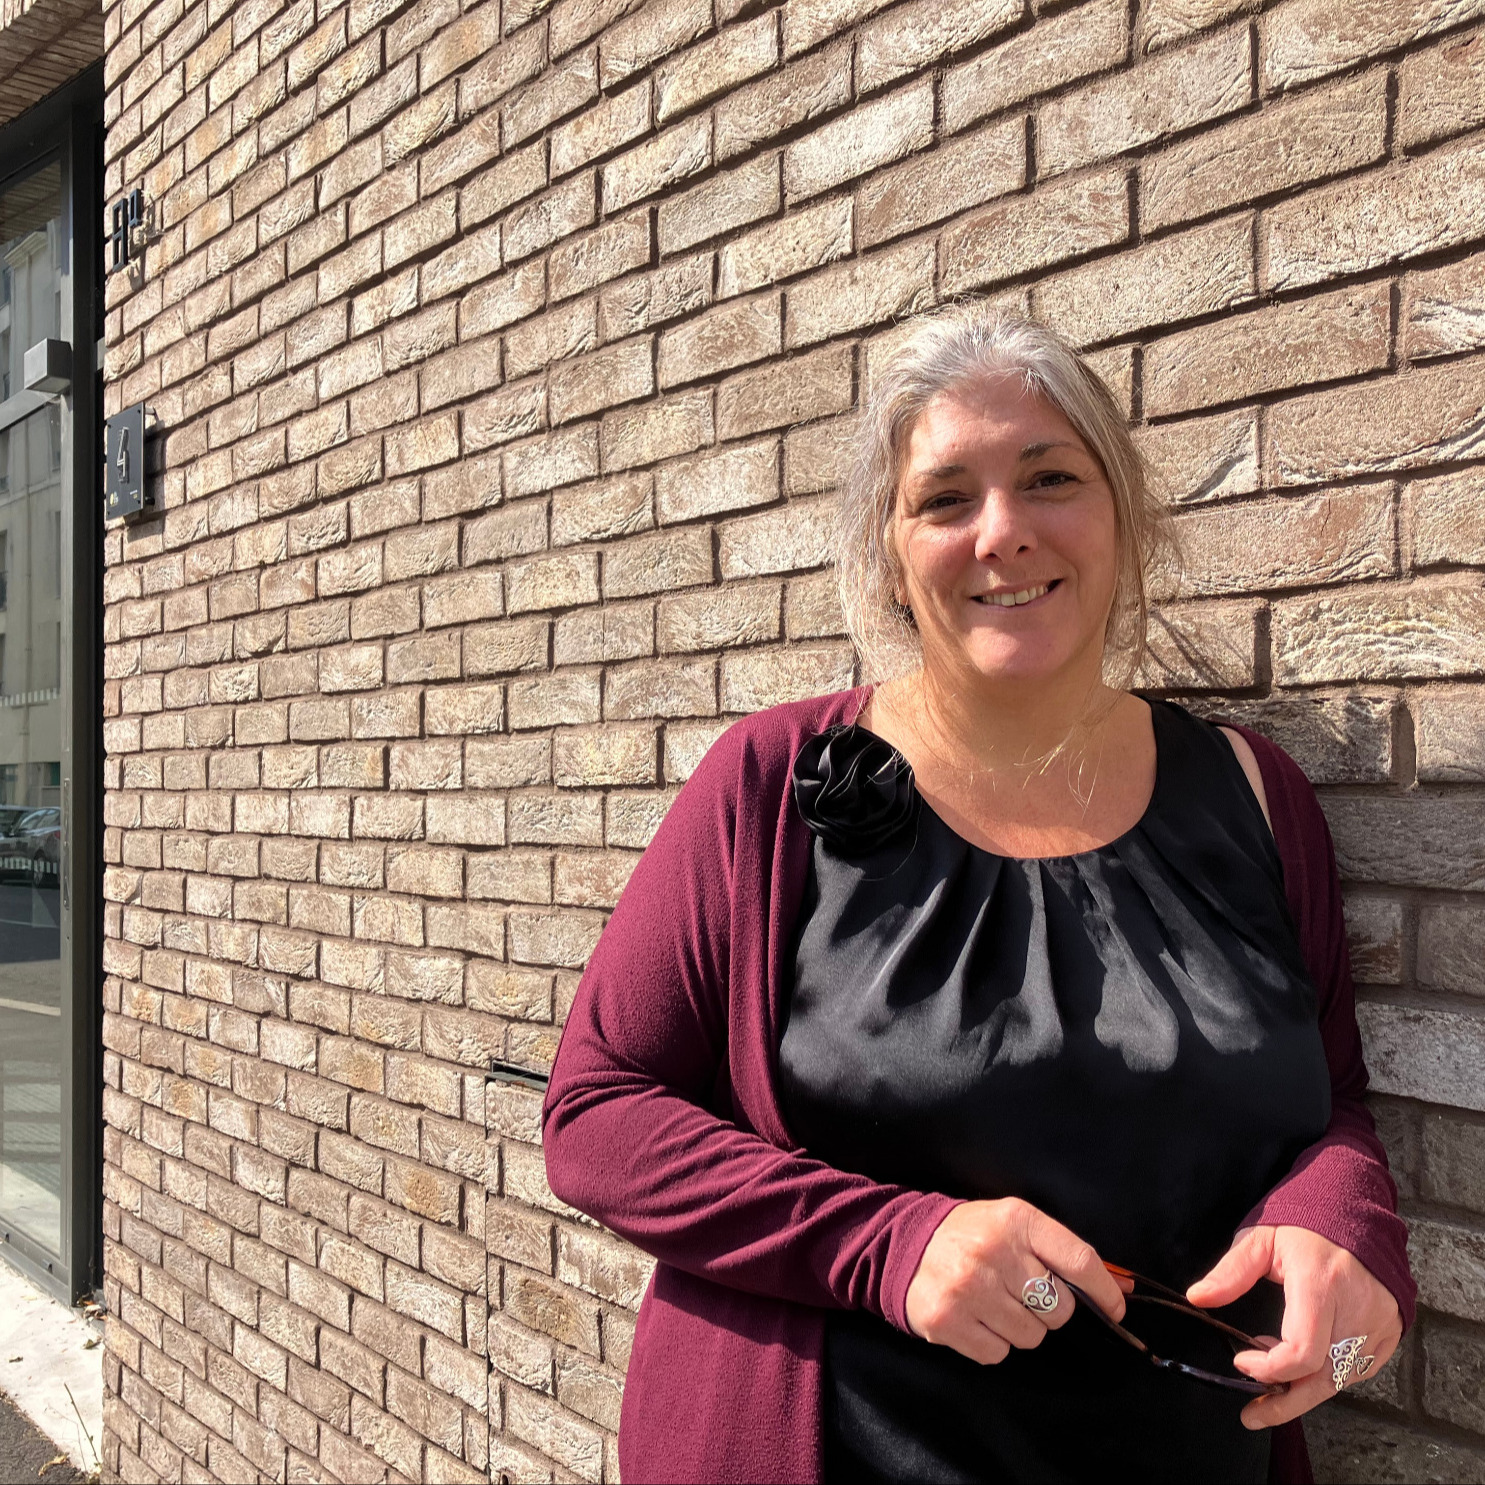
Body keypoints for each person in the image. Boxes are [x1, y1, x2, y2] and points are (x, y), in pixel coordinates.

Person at [542, 307, 1414, 1484]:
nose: (1002, 532)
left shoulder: (1258, 795)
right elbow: (597, 1114)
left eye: (1049, 477)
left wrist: (1346, 1229)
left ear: (1122, 514)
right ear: (892, 554)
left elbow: (1335, 1106)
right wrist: (889, 1244)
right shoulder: (767, 785)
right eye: (946, 498)